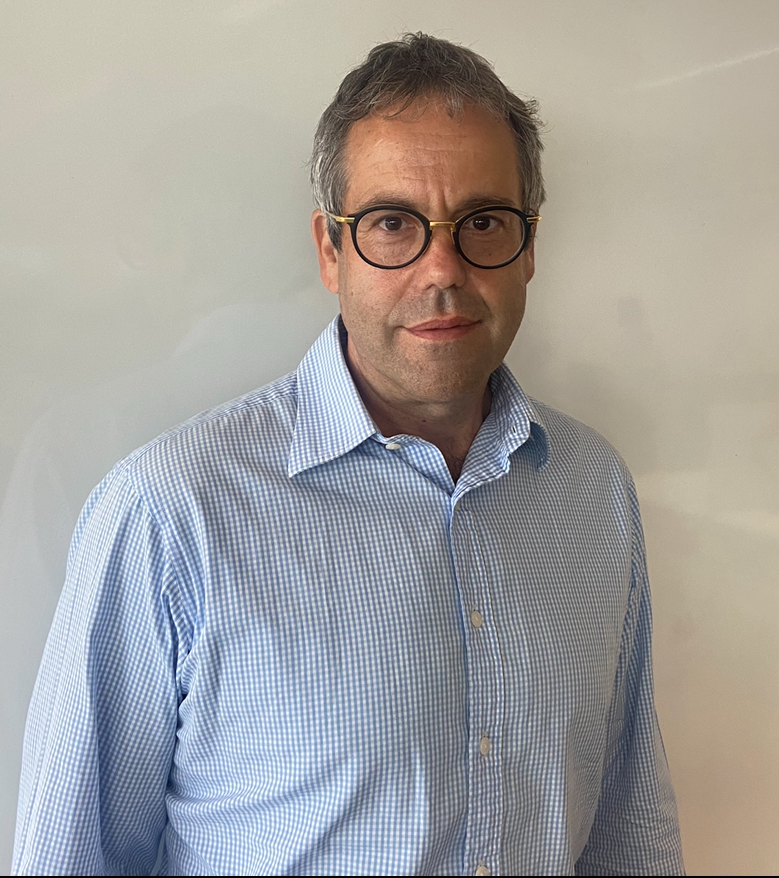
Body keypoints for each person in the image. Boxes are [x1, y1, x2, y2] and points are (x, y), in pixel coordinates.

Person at [12, 33, 684, 877]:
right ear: (329, 250)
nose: (442, 270)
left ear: (529, 246)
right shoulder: (170, 512)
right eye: (392, 224)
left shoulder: (591, 490)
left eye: (482, 223)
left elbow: (627, 830)